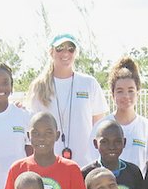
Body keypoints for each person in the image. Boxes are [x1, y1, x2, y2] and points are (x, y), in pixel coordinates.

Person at [26, 33, 108, 167]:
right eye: (60, 48)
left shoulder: (89, 83)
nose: (65, 53)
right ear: (51, 52)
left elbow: (99, 126)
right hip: (50, 164)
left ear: (76, 53)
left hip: (86, 164)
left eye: (71, 49)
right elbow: (31, 125)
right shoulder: (39, 86)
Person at [3, 112, 88, 189]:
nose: (41, 138)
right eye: (35, 133)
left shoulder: (71, 169)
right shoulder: (17, 169)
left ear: (57, 135)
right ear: (28, 135)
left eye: (48, 133)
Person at [88, 57, 148, 172]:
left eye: (130, 90)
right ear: (113, 94)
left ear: (138, 93)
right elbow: (93, 163)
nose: (126, 96)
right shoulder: (100, 127)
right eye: (120, 91)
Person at [81, 119, 148, 189]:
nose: (111, 146)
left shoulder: (133, 171)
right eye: (104, 142)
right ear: (95, 144)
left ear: (124, 142)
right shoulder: (86, 174)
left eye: (117, 141)